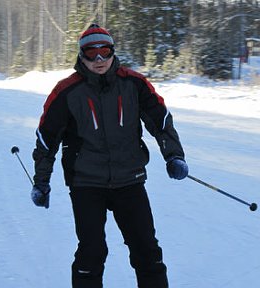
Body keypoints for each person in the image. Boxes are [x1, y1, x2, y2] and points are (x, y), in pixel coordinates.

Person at [31, 24, 188, 288]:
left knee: (146, 250)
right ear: (82, 56)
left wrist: (174, 156)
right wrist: (41, 182)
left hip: (130, 179)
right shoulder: (67, 91)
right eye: (92, 53)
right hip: (86, 183)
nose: (99, 59)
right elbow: (47, 140)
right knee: (91, 253)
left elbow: (161, 121)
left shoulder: (134, 84)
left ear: (113, 52)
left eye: (104, 51)